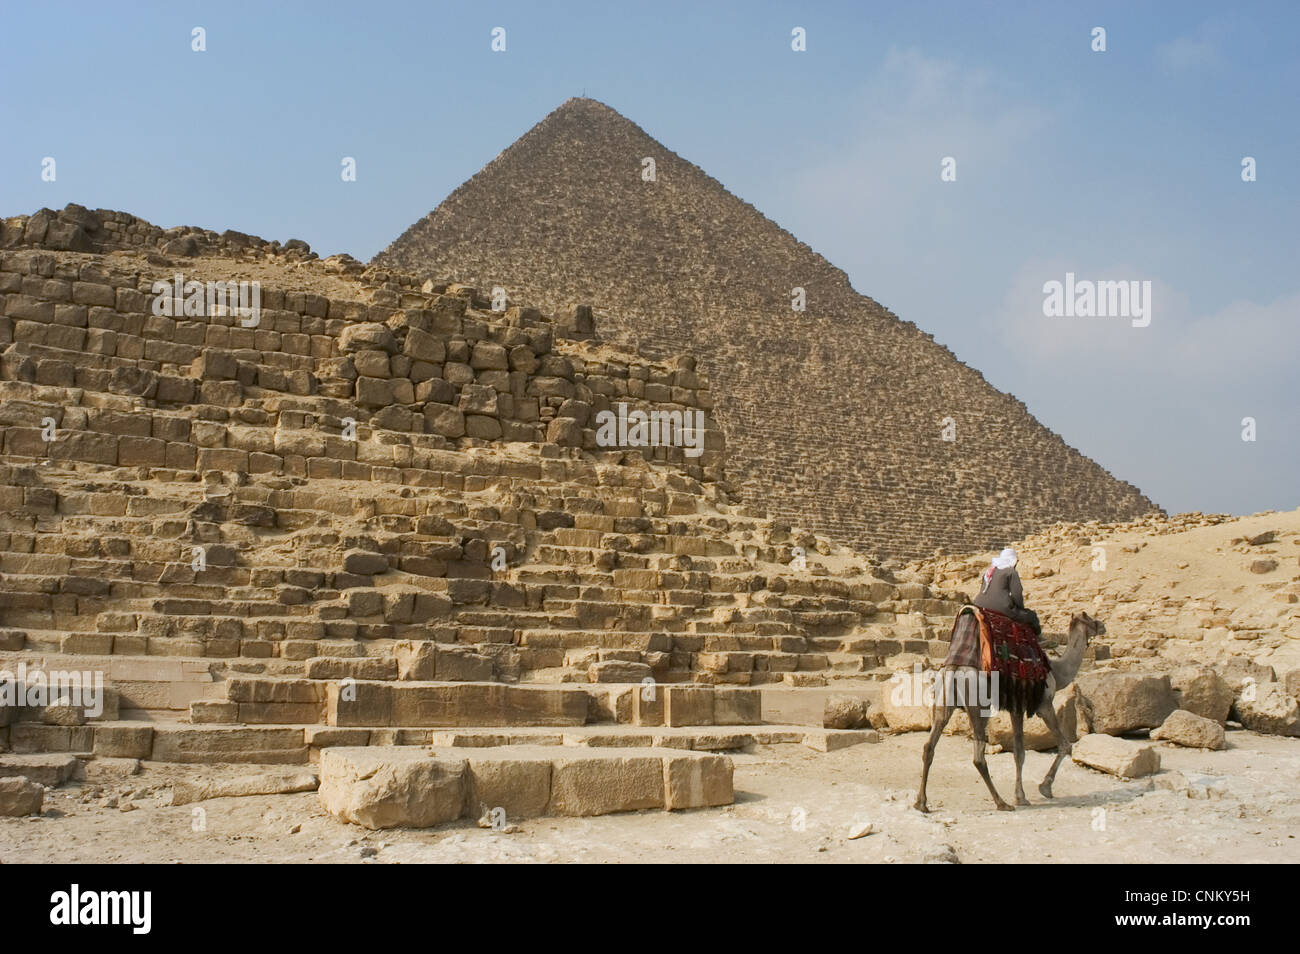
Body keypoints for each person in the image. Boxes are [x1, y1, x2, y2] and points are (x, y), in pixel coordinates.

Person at [972, 547, 1041, 635]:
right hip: (1001, 609)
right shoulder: (1011, 572)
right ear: (1014, 560)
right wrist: (1021, 608)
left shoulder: (989, 571)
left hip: (979, 606)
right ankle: (1038, 642)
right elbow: (1017, 594)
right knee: (1032, 616)